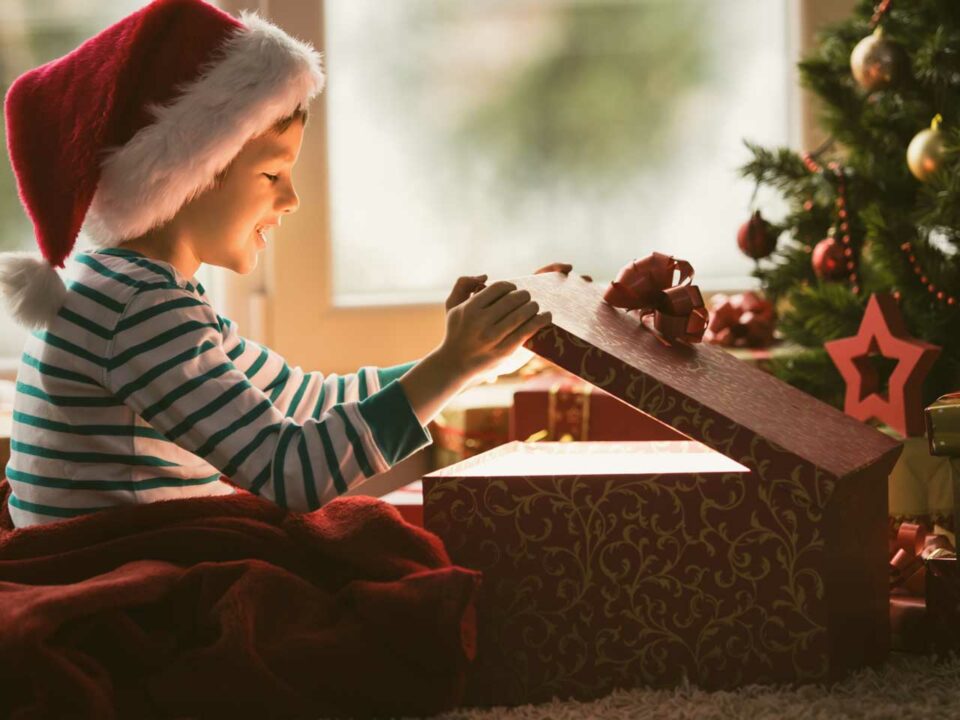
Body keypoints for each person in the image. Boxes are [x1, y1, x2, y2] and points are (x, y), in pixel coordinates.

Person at [0, 0, 567, 529]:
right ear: (184, 174)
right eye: (272, 175)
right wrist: (448, 368)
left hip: (121, 556)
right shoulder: (140, 308)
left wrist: (468, 363)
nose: (291, 200)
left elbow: (310, 400)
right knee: (372, 547)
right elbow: (290, 474)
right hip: (121, 581)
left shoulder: (127, 289)